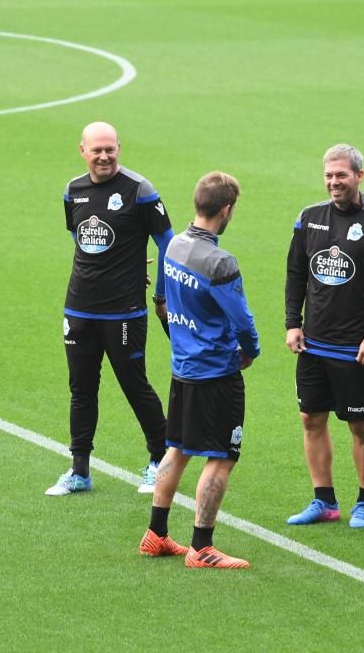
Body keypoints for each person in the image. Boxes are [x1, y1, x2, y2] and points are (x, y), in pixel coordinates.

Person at [138, 171, 260, 569]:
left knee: (179, 448)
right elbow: (241, 321)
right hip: (216, 372)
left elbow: (169, 304)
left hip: (183, 368)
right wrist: (250, 351)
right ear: (227, 210)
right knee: (222, 456)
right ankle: (202, 547)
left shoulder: (174, 245)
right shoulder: (220, 262)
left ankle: (156, 534)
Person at [47, 122, 173, 496]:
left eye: (110, 149)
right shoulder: (73, 191)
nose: (104, 156)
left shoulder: (140, 190)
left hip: (124, 311)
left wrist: (161, 296)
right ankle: (79, 471)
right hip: (79, 309)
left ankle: (159, 461)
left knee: (134, 385)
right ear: (82, 151)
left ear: (119, 148)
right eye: (96, 150)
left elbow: (169, 245)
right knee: (81, 389)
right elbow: (80, 240)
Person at [284, 144, 364, 529]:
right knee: (310, 419)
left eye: (342, 175)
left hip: (354, 347)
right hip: (313, 343)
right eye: (329, 176)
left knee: (360, 424)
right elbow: (296, 273)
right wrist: (292, 323)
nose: (334, 182)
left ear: (359, 177)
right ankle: (325, 501)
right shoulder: (309, 218)